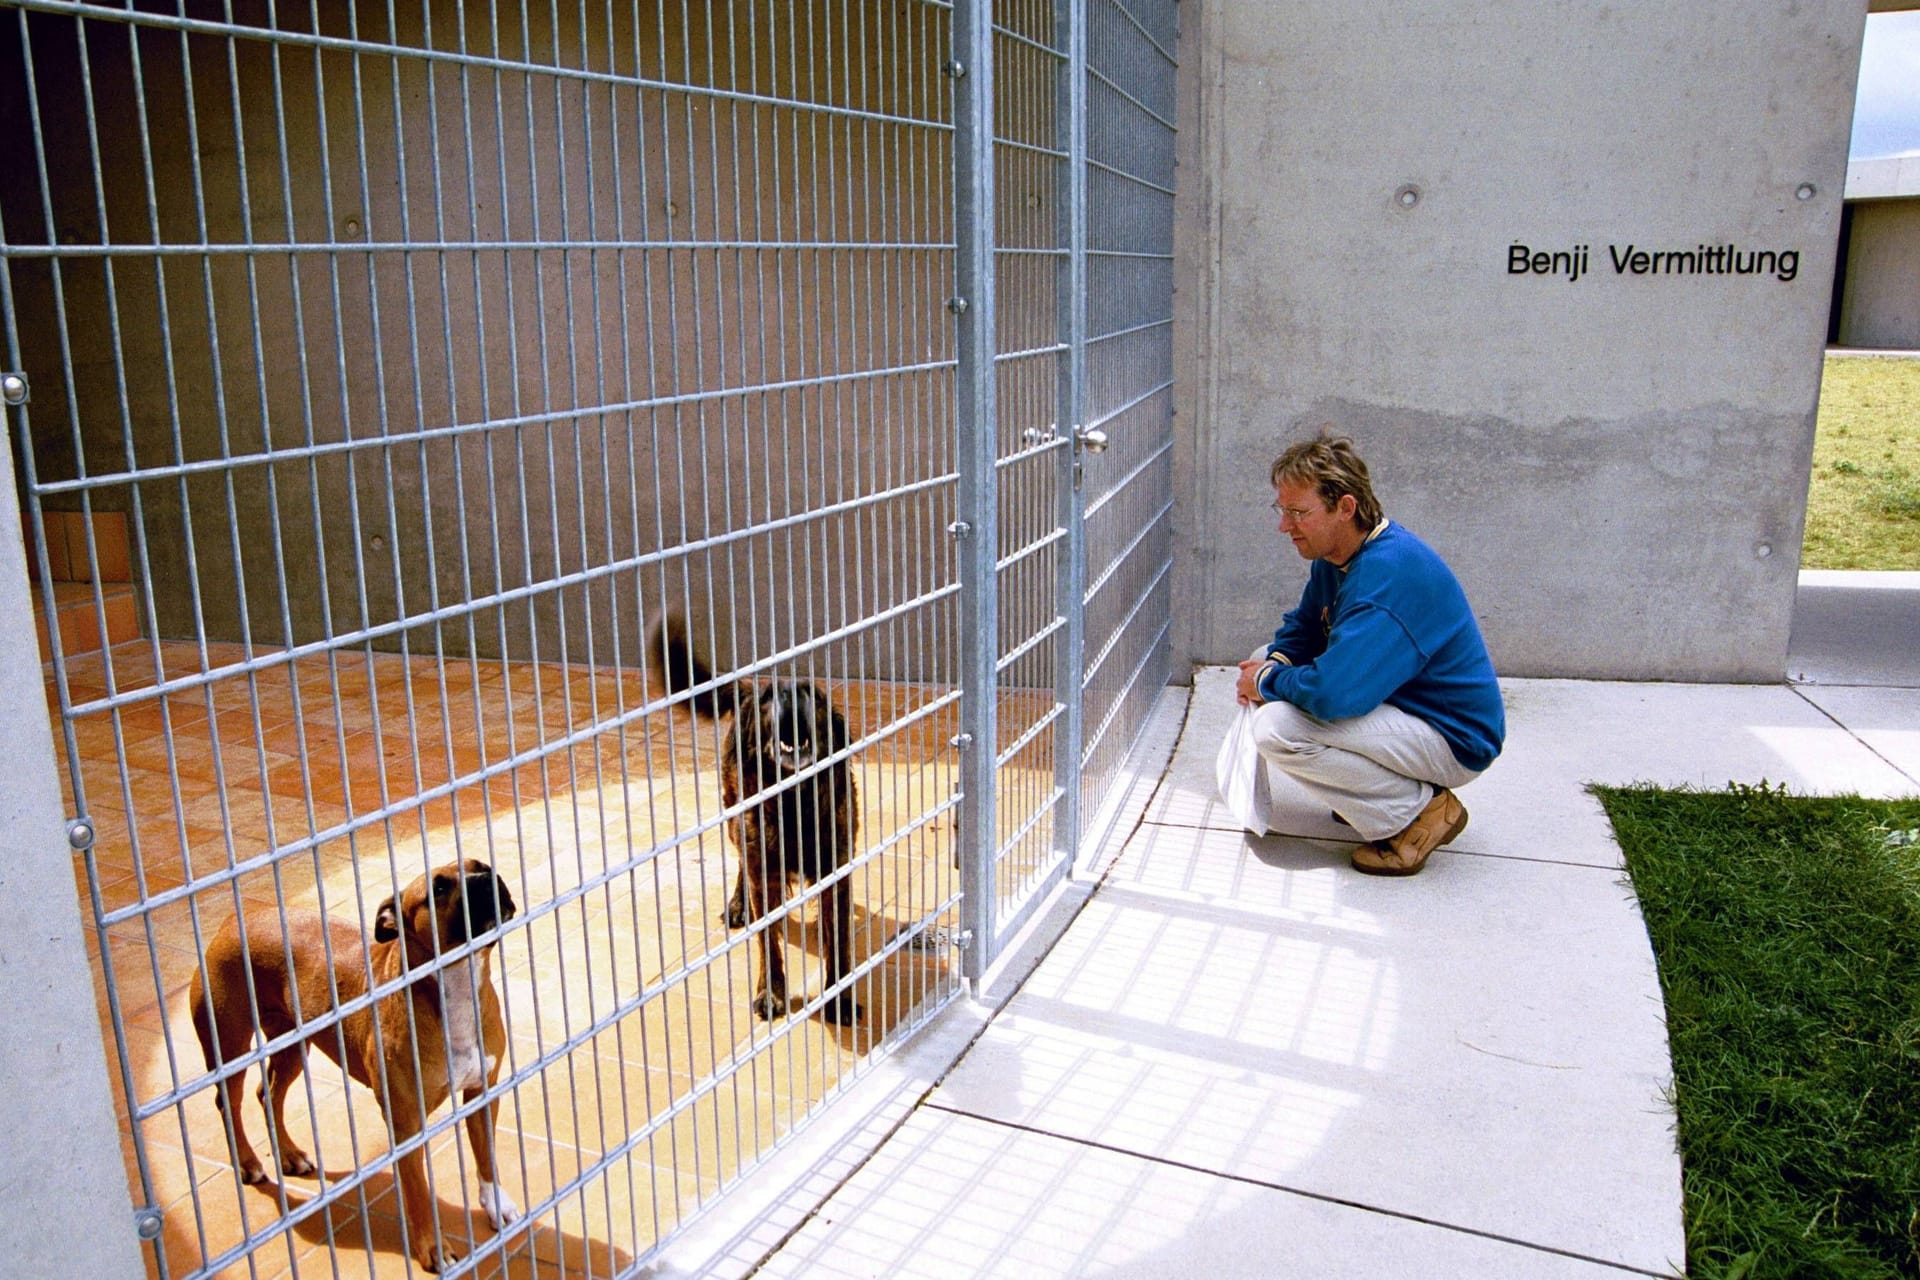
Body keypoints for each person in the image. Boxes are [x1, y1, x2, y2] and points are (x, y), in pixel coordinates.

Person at [1219, 430, 1504, 876]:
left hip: (1453, 737)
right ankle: (1376, 793)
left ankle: (1418, 813)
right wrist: (1275, 665)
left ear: (1345, 507)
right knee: (1269, 657)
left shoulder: (1387, 576)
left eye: (1298, 512)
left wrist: (1265, 682)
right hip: (1404, 706)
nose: (1284, 525)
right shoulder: (1338, 555)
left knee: (1277, 727)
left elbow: (1336, 695)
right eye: (1282, 509)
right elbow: (1306, 628)